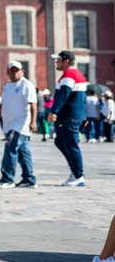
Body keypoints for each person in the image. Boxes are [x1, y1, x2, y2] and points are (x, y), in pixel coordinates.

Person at [0, 62, 37, 188]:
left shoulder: (26, 85)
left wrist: (33, 121)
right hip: (9, 124)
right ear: (8, 72)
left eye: (17, 70)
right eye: (12, 70)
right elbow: (2, 105)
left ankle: (7, 178)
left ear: (22, 72)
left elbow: (33, 104)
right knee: (23, 151)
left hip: (20, 124)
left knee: (10, 148)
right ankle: (29, 179)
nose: (15, 73)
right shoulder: (7, 87)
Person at [47, 50, 87, 186]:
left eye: (58, 60)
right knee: (60, 142)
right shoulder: (79, 74)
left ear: (66, 61)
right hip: (75, 116)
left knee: (71, 146)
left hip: (69, 117)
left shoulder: (68, 75)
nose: (56, 62)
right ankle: (76, 170)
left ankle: (78, 174)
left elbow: (62, 95)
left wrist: (53, 111)